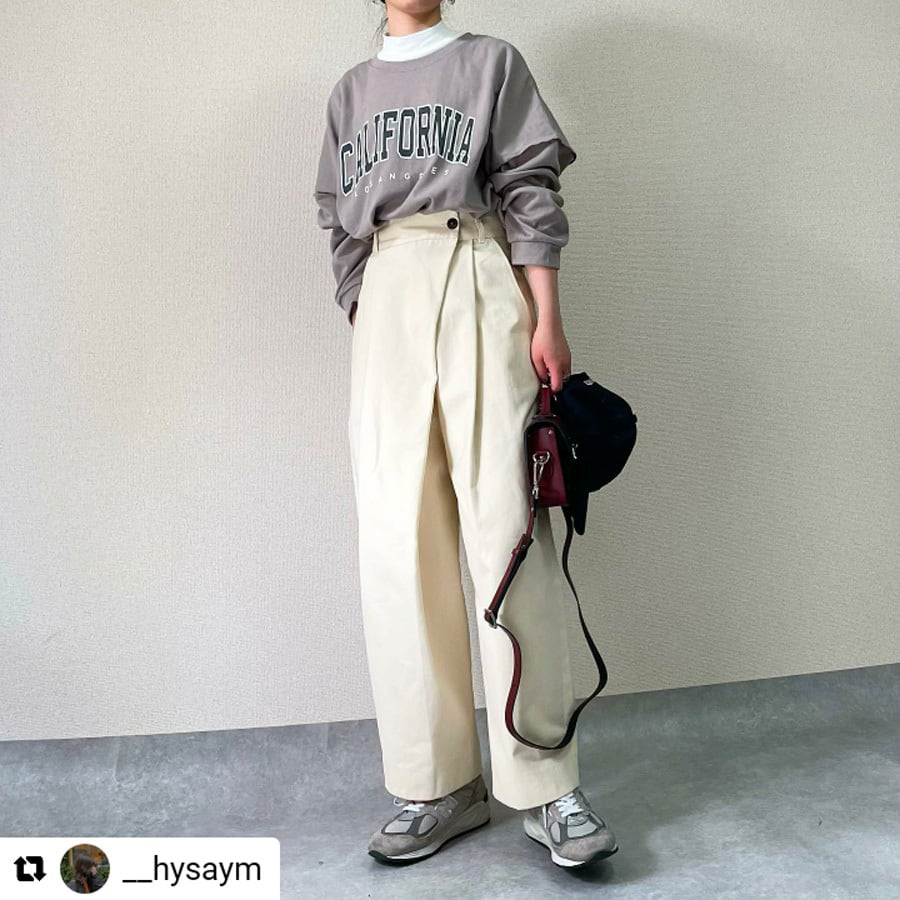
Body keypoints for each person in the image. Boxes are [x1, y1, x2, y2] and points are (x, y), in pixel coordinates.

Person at [313, 0, 619, 869]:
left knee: (508, 532)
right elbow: (338, 218)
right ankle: (437, 784)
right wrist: (367, 307)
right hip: (390, 293)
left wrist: (546, 316)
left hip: (480, 276)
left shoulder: (492, 63)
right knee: (397, 546)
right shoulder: (350, 92)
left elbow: (529, 187)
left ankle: (547, 782)